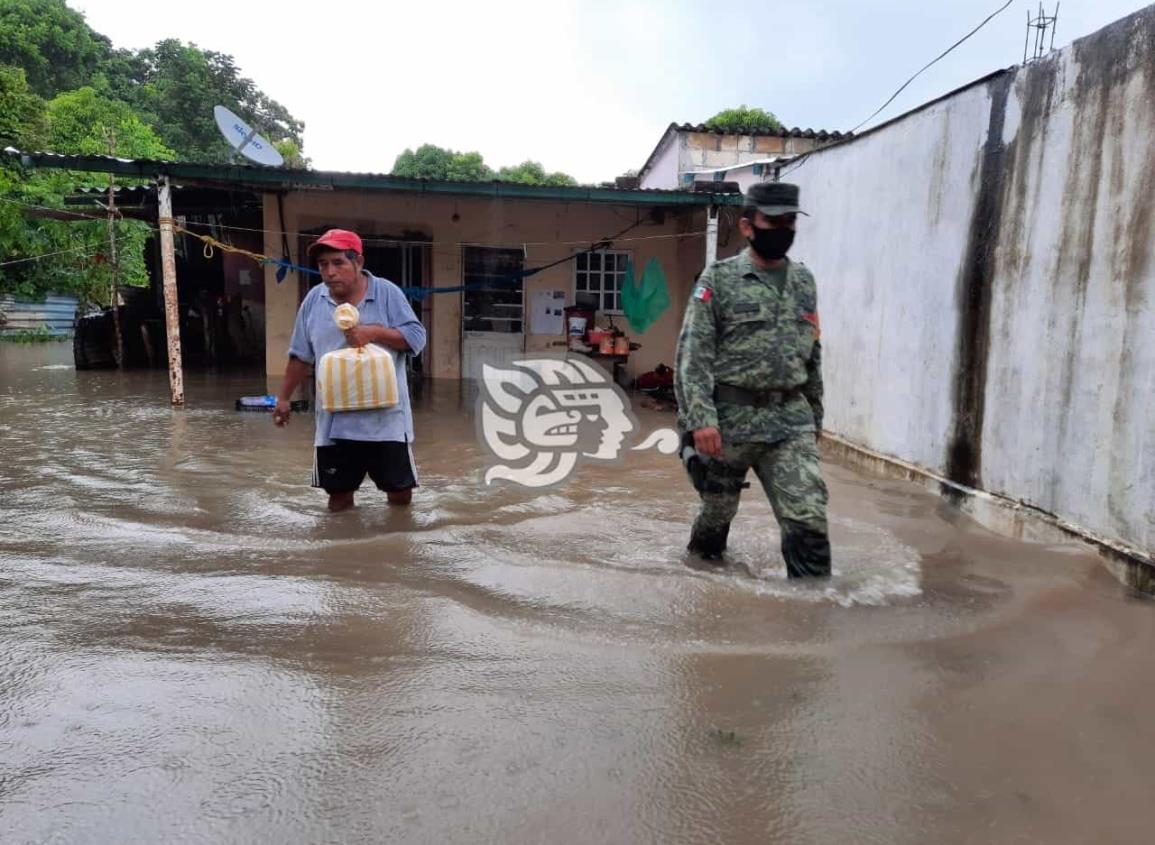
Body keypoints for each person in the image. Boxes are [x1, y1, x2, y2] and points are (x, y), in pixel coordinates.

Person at [673, 182, 831, 578]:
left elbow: (811, 351)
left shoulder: (804, 282)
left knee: (808, 514)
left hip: (789, 421)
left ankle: (811, 615)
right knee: (717, 513)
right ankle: (702, 584)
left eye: (789, 221)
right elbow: (693, 354)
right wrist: (700, 420)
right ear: (747, 226)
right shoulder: (719, 279)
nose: (782, 229)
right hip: (729, 423)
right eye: (772, 221)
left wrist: (815, 415)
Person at [273, 229, 428, 512]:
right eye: (323, 265)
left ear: (358, 262)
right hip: (335, 426)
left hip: (387, 424)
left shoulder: (387, 293)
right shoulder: (313, 301)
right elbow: (300, 356)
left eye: (338, 263)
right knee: (339, 500)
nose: (330, 272)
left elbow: (417, 339)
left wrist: (374, 332)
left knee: (400, 496)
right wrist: (283, 399)